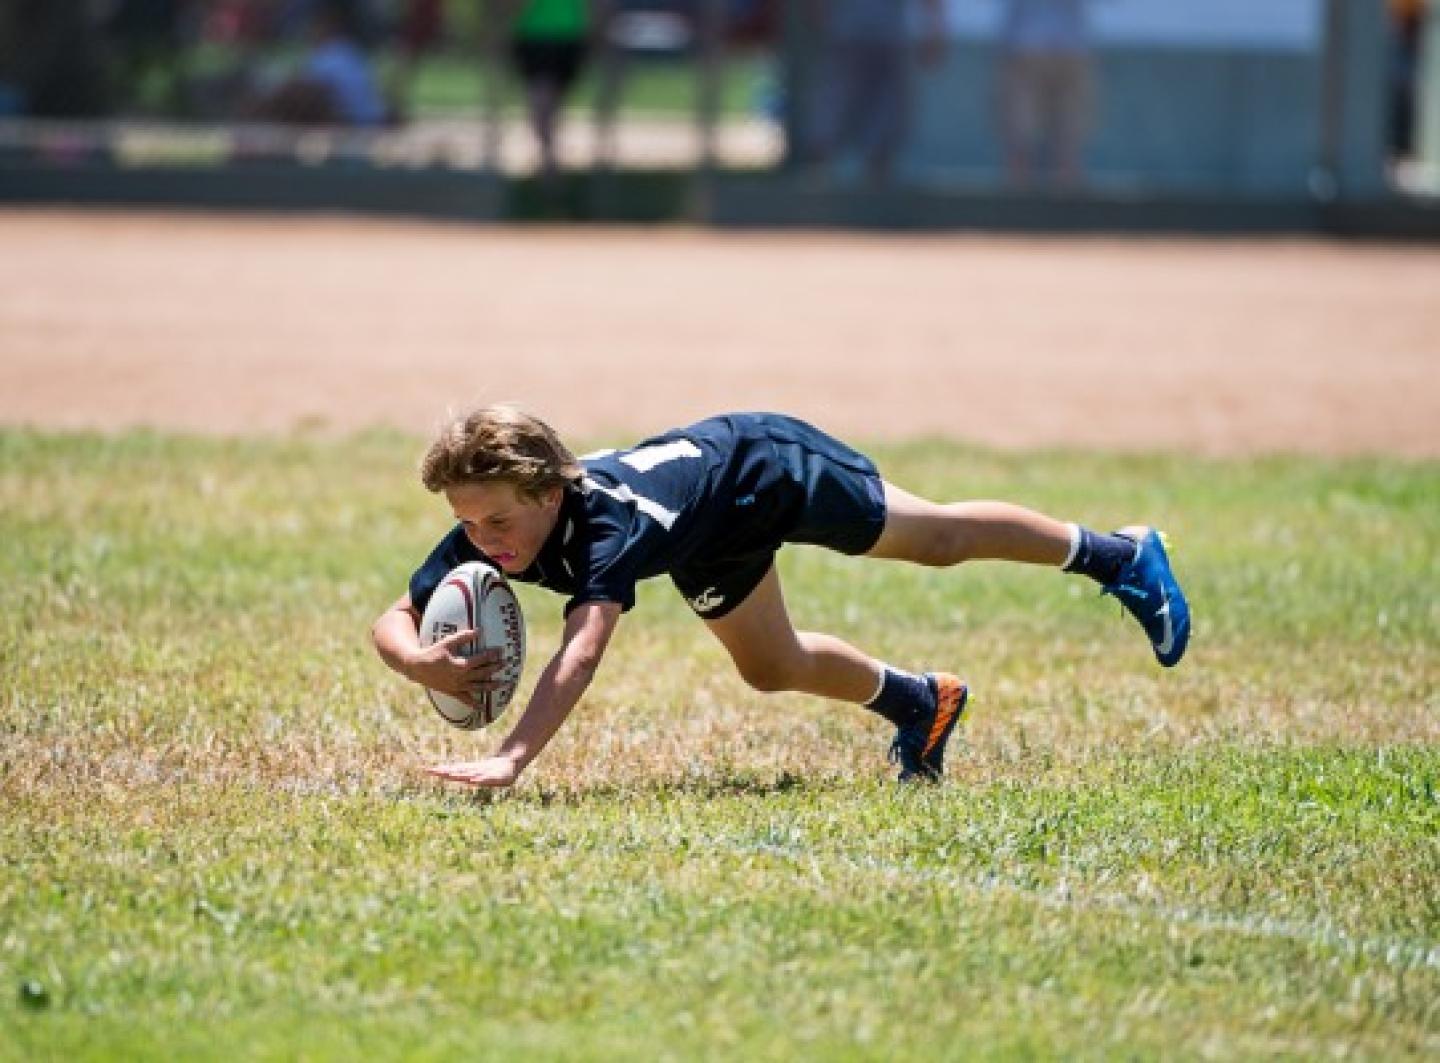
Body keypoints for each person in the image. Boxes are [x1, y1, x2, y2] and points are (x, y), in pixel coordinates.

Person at [372, 407, 1190, 789]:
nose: (483, 541)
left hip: (763, 467)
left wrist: (512, 755)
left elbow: (582, 648)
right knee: (770, 665)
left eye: (497, 520)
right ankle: (922, 702)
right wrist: (416, 661)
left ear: (550, 491)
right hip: (705, 532)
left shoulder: (604, 525)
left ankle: (1119, 555)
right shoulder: (493, 528)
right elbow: (394, 616)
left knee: (935, 540)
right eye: (467, 524)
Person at [995, 0, 1099, 188]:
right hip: (1026, 45)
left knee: (1068, 145)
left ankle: (1065, 206)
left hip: (1068, 47)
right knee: (1020, 141)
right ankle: (1016, 206)